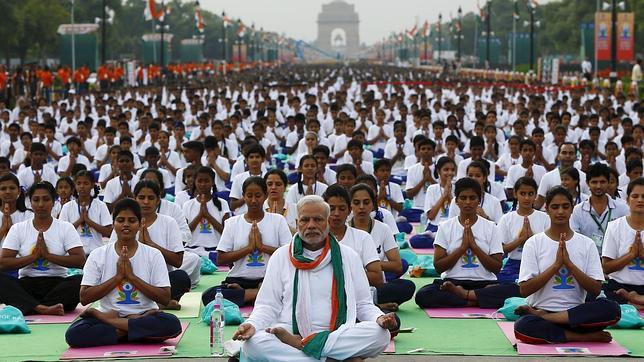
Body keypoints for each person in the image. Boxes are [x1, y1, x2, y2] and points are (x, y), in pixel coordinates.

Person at [233, 195, 397, 361]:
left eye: (318, 219)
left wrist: (379, 318)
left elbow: (363, 304)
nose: (311, 225)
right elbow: (267, 305)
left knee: (380, 334)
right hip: (289, 330)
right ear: (297, 223)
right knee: (253, 344)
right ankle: (330, 358)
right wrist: (252, 324)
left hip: (336, 332)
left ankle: (303, 347)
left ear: (327, 222)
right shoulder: (281, 256)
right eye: (305, 220)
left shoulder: (348, 256)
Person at [64, 198, 182, 348]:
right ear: (113, 224)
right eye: (120, 220)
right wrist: (118, 277)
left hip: (142, 314)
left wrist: (132, 277)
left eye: (132, 220)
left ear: (140, 224)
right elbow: (85, 297)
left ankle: (116, 327)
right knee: (74, 334)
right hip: (117, 313)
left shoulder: (154, 254)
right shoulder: (98, 254)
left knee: (172, 324)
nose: (126, 224)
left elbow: (165, 298)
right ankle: (135, 331)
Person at [513, 186, 621, 344]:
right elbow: (524, 290)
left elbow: (596, 289)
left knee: (612, 309)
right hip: (543, 311)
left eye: (565, 206)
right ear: (547, 210)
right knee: (522, 326)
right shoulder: (534, 243)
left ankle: (549, 321)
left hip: (577, 315)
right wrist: (556, 266)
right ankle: (581, 337)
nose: (560, 211)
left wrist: (570, 265)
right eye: (555, 207)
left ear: (572, 209)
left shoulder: (586, 243)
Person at [415, 178, 518, 309]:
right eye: (463, 198)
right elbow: (439, 267)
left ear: (479, 200)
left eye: (472, 198)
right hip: (453, 282)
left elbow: (496, 267)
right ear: (456, 201)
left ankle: (464, 296)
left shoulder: (491, 227)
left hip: (484, 283)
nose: (468, 202)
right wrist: (462, 248)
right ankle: (475, 299)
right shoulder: (445, 227)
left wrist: (474, 246)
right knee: (423, 295)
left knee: (515, 290)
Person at [202, 177, 291, 307]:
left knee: (292, 291)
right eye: (249, 196)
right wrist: (249, 248)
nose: (254, 200)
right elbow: (221, 259)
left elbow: (289, 254)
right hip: (238, 280)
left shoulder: (278, 221)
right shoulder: (232, 223)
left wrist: (262, 247)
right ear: (243, 196)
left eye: (258, 195)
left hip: (269, 279)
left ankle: (246, 295)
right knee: (209, 296)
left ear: (265, 195)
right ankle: (258, 294)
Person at [0, 182, 86, 315]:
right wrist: (33, 257)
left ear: (53, 202)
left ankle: (29, 305)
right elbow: (3, 263)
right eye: (36, 200)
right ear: (30, 202)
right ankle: (43, 308)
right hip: (27, 284)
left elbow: (80, 261)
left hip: (57, 284)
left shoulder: (65, 227)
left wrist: (48, 256)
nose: (41, 204)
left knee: (81, 280)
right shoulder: (18, 228)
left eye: (46, 199)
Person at [349, 184, 415, 308]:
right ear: (350, 206)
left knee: (407, 287)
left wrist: (369, 264)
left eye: (366, 202)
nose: (361, 207)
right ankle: (375, 305)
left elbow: (397, 265)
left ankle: (368, 304)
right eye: (356, 203)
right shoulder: (344, 229)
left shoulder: (382, 228)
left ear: (373, 205)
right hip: (350, 286)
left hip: (375, 285)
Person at [496, 177, 550, 283]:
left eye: (530, 194)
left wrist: (531, 239)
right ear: (515, 194)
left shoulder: (544, 218)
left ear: (535, 195)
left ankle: (521, 282)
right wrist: (520, 240)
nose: (526, 198)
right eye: (522, 193)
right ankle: (521, 281)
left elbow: (549, 248)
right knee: (495, 278)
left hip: (538, 264)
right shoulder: (506, 219)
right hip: (514, 264)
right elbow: (500, 250)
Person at [601, 177, 644, 307]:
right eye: (635, 196)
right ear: (627, 200)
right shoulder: (615, 226)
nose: (640, 200)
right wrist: (630, 256)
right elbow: (606, 268)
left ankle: (637, 301)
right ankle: (635, 303)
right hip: (618, 287)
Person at [571, 164, 629, 253]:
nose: (598, 186)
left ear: (608, 182)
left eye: (602, 182)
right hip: (587, 259)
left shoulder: (622, 209)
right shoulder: (578, 211)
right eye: (594, 182)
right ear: (587, 183)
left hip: (615, 259)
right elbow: (575, 240)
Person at [59, 171, 112, 255]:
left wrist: (89, 221)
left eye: (86, 183)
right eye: (79, 183)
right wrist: (80, 220)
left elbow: (109, 232)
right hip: (74, 253)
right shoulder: (67, 207)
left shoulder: (101, 205)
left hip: (96, 252)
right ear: (75, 186)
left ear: (92, 185)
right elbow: (61, 233)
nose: (82, 186)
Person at [183, 166, 230, 258]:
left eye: (206, 181)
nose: (203, 184)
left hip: (215, 250)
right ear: (195, 182)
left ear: (212, 182)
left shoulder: (222, 203)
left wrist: (208, 216)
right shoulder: (187, 205)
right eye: (200, 181)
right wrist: (200, 215)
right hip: (192, 250)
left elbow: (226, 232)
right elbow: (185, 233)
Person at [415, 156, 456, 248]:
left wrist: (449, 196)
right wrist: (444, 196)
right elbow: (430, 216)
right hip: (434, 227)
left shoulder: (458, 188)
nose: (450, 173)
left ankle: (439, 240)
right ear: (438, 171)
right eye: (446, 170)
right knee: (415, 241)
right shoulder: (432, 189)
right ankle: (438, 238)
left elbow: (459, 213)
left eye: (452, 170)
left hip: (452, 227)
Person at [0, 174, 33, 246]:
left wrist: (11, 228)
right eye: (3, 189)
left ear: (19, 191)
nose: (8, 191)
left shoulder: (29, 216)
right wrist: (3, 228)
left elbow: (29, 245)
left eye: (12, 188)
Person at [264, 169, 297, 234]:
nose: (273, 187)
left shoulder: (296, 209)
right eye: (269, 184)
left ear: (285, 187)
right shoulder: (258, 209)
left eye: (278, 184)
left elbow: (299, 236)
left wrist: (279, 222)